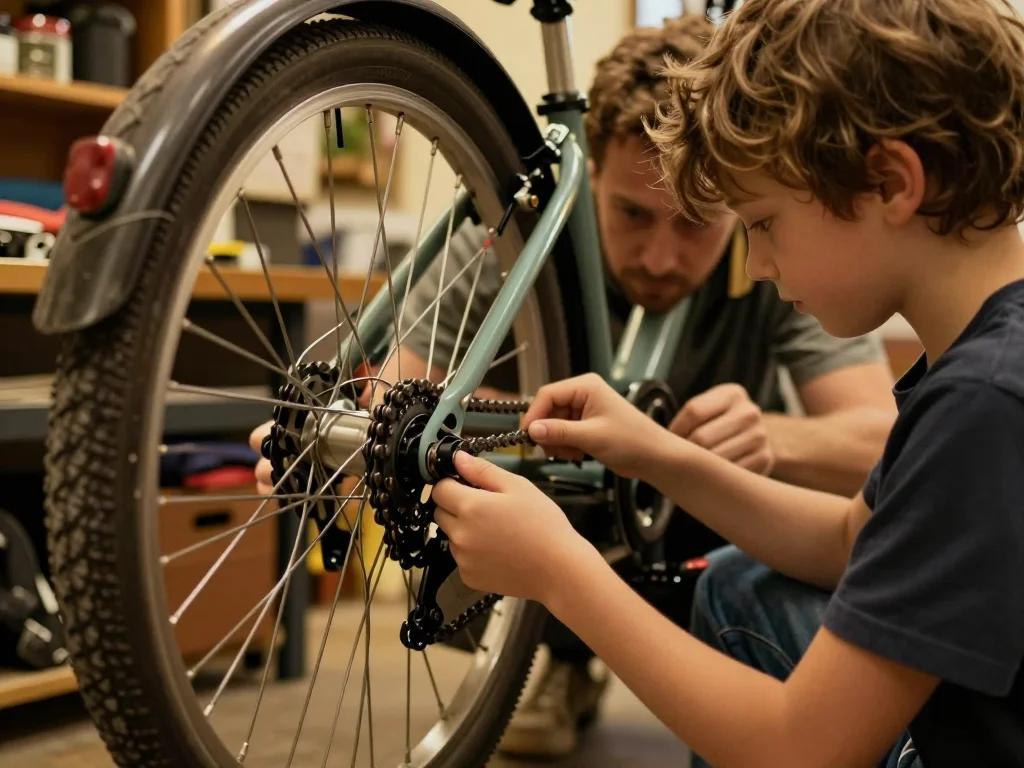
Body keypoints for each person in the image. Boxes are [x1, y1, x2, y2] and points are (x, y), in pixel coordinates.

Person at [251, 12, 897, 759]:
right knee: (455, 476)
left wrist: (768, 437)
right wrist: (346, 445)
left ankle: (666, 655)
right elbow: (398, 389)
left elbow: (879, 448)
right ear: (590, 174)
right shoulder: (509, 238)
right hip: (549, 525)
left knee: (746, 528)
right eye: (630, 213)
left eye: (696, 223)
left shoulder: (778, 257)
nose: (660, 255)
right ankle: (559, 659)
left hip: (694, 535)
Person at [429, 0, 1024, 765]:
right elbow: (852, 541)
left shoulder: (986, 403)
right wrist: (659, 454)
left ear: (889, 182)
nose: (758, 265)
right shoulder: (975, 359)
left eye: (764, 222)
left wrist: (560, 572)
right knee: (744, 583)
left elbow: (800, 747)